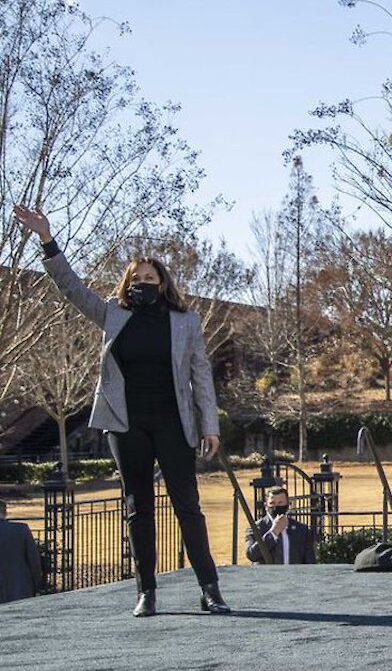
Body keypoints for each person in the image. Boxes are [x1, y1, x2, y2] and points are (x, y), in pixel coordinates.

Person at [11, 205, 230, 617]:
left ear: (162, 283)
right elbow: (71, 287)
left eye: (152, 278)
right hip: (126, 425)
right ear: (128, 285)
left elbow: (201, 375)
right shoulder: (113, 315)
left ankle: (210, 589)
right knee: (138, 507)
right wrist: (46, 239)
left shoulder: (185, 321)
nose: (145, 283)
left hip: (173, 422)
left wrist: (209, 424)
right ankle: (146, 592)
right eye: (138, 279)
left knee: (188, 506)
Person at [245, 486, 316, 565]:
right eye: (272, 503)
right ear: (266, 506)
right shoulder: (256, 528)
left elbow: (310, 562)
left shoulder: (302, 530)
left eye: (280, 503)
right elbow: (252, 555)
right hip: (265, 576)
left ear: (288, 504)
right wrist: (273, 533)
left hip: (294, 576)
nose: (276, 507)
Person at [0, 500, 43, 603]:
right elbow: (34, 561)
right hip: (20, 588)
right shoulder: (21, 530)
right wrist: (37, 585)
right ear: (5, 512)